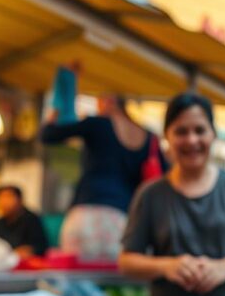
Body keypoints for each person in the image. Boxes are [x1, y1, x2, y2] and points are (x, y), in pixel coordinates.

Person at [119, 93, 225, 296]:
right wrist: (167, 265)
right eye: (181, 131)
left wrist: (224, 267)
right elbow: (126, 261)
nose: (192, 140)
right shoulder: (151, 193)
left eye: (199, 130)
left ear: (213, 134)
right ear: (167, 137)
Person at [40, 93, 165, 261]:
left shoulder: (98, 124)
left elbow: (48, 135)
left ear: (108, 100)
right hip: (122, 220)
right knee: (114, 282)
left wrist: (57, 105)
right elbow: (163, 177)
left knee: (77, 282)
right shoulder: (150, 138)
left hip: (84, 216)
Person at [0, 185, 49, 258]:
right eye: (0, 197)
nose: (4, 202)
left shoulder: (32, 220)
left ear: (20, 200)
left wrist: (29, 250)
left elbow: (41, 246)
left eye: (8, 197)